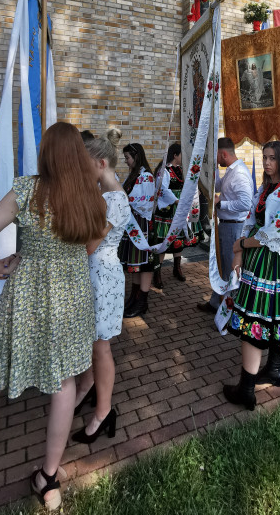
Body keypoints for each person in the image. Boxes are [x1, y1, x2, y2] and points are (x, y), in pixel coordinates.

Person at [0, 122, 107, 515]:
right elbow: (91, 248)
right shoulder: (91, 197)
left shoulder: (28, 190)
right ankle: (48, 477)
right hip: (72, 299)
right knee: (63, 385)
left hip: (26, 298)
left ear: (45, 153)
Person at [223, 141, 280, 410]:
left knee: (257, 318)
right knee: (268, 314)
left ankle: (247, 389)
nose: (267, 162)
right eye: (264, 157)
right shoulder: (265, 188)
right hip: (258, 256)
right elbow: (250, 221)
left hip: (274, 259)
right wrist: (239, 252)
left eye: (272, 158)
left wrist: (241, 245)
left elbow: (275, 235)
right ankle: (273, 369)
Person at [71, 128, 131, 444]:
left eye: (86, 164)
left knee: (101, 346)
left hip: (102, 274)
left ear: (101, 164)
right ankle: (87, 390)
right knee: (95, 343)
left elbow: (90, 246)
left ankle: (103, 412)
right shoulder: (108, 195)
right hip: (100, 272)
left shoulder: (113, 199)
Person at [197, 138, 253, 314]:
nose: (217, 159)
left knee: (230, 268)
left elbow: (246, 203)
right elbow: (219, 185)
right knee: (221, 265)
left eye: (217, 157)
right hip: (226, 224)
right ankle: (216, 302)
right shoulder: (231, 170)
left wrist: (222, 203)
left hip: (234, 226)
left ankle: (230, 309)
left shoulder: (240, 174)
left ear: (224, 154)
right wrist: (209, 170)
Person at [119, 142, 158, 318]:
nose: (126, 161)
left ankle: (142, 301)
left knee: (144, 264)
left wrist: (123, 197)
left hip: (143, 226)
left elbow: (144, 200)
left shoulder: (146, 176)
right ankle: (133, 298)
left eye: (127, 157)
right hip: (133, 224)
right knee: (134, 264)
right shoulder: (133, 175)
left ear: (136, 156)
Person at [152, 143, 194, 283]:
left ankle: (177, 268)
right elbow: (162, 188)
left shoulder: (182, 170)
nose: (184, 157)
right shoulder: (164, 170)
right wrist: (176, 201)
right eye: (182, 154)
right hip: (169, 208)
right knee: (164, 239)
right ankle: (157, 273)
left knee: (178, 239)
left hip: (180, 208)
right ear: (175, 155)